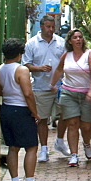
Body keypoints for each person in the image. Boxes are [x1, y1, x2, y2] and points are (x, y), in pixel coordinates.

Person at [0, 38, 49, 181]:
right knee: (31, 147)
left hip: (6, 109)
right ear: (20, 54)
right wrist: (34, 112)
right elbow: (27, 93)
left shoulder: (0, 69)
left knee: (12, 147)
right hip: (20, 110)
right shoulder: (21, 70)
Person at [22, 15, 71, 162]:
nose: (50, 30)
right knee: (42, 119)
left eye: (52, 27)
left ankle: (60, 141)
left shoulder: (61, 42)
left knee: (65, 115)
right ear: (41, 26)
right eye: (48, 27)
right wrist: (39, 68)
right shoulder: (31, 44)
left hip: (60, 87)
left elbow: (67, 62)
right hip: (40, 87)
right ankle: (44, 149)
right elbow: (26, 65)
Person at [50, 29, 91, 167]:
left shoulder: (89, 54)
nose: (78, 40)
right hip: (68, 93)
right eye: (75, 37)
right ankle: (74, 155)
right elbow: (59, 70)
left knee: (87, 126)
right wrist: (52, 84)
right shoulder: (66, 55)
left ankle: (87, 143)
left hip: (85, 94)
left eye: (80, 37)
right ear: (70, 41)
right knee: (72, 124)